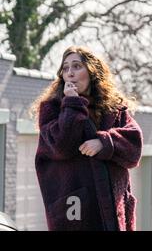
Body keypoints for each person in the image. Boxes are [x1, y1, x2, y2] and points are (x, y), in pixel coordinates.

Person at [32, 46, 143, 231]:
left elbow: (134, 149)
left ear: (92, 71)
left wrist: (105, 143)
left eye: (76, 66)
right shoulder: (52, 109)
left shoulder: (115, 109)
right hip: (75, 210)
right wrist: (72, 104)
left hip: (113, 211)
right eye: (65, 68)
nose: (70, 73)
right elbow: (61, 146)